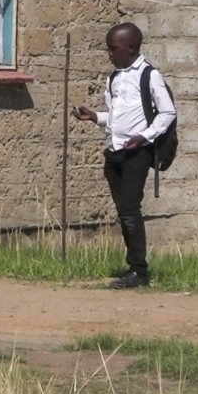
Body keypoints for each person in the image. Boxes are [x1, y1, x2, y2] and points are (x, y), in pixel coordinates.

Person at [73, 22, 176, 289]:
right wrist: (95, 117)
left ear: (130, 47)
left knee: (131, 209)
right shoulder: (114, 78)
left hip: (137, 153)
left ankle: (139, 271)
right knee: (123, 211)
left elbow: (167, 112)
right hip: (115, 151)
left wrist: (145, 136)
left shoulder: (149, 76)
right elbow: (115, 118)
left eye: (113, 48)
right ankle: (134, 268)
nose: (109, 53)